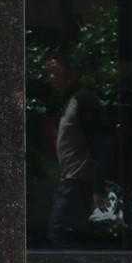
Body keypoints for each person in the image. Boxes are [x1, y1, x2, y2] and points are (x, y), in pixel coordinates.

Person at [46, 52, 109, 247]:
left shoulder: (84, 100)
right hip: (70, 179)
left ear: (71, 73)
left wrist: (98, 187)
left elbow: (99, 143)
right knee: (68, 233)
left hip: (79, 180)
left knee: (59, 231)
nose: (51, 78)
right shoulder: (67, 101)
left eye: (56, 72)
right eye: (49, 73)